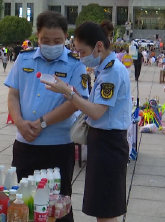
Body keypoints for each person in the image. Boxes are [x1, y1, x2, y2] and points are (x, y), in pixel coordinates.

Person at [42, 20, 131, 222]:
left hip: (109, 143)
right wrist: (69, 91)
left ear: (98, 46)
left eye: (82, 52)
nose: (81, 57)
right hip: (102, 142)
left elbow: (97, 112)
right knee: (103, 206)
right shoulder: (104, 69)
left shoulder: (112, 72)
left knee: (106, 209)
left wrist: (69, 94)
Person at [4, 11, 89, 222]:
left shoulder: (75, 65)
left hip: (57, 146)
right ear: (37, 37)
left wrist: (43, 123)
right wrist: (19, 122)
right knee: (24, 203)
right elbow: (13, 94)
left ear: (65, 38)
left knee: (58, 205)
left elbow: (75, 102)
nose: (51, 45)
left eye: (57, 41)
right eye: (45, 40)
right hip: (25, 143)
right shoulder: (24, 59)